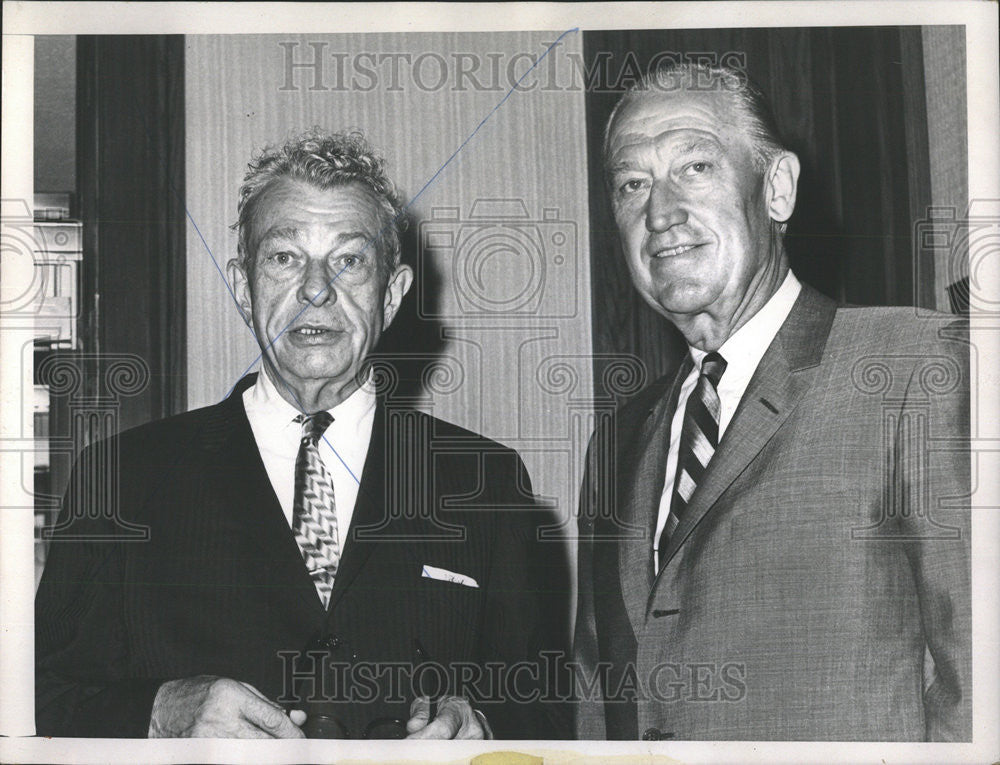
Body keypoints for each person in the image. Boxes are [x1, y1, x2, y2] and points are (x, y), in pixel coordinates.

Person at [36, 130, 565, 739]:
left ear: (391, 296)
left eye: (349, 260)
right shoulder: (121, 478)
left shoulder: (486, 480)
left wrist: (483, 725)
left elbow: (547, 705)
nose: (317, 290)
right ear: (243, 287)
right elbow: (37, 699)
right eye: (285, 258)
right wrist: (160, 712)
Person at [574, 63, 970, 741]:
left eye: (695, 166)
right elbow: (594, 698)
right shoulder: (618, 439)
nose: (660, 213)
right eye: (631, 183)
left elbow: (982, 685)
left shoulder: (920, 367)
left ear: (777, 189)